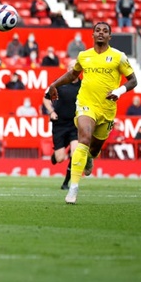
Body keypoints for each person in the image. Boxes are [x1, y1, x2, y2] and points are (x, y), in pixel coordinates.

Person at [48, 22, 137, 204]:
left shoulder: (118, 57)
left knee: (94, 148)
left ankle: (89, 158)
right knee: (84, 139)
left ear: (110, 37)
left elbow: (133, 80)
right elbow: (73, 75)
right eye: (98, 30)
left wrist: (119, 91)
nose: (101, 33)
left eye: (105, 31)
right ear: (93, 35)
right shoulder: (84, 55)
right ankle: (73, 188)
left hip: (107, 109)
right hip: (85, 104)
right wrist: (54, 84)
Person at [43, 60, 81, 190]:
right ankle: (55, 155)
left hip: (75, 124)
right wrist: (52, 112)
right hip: (59, 123)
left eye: (75, 67)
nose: (73, 69)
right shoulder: (58, 83)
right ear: (66, 69)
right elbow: (46, 98)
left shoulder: (83, 85)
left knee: (75, 154)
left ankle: (66, 183)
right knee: (60, 158)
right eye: (71, 67)